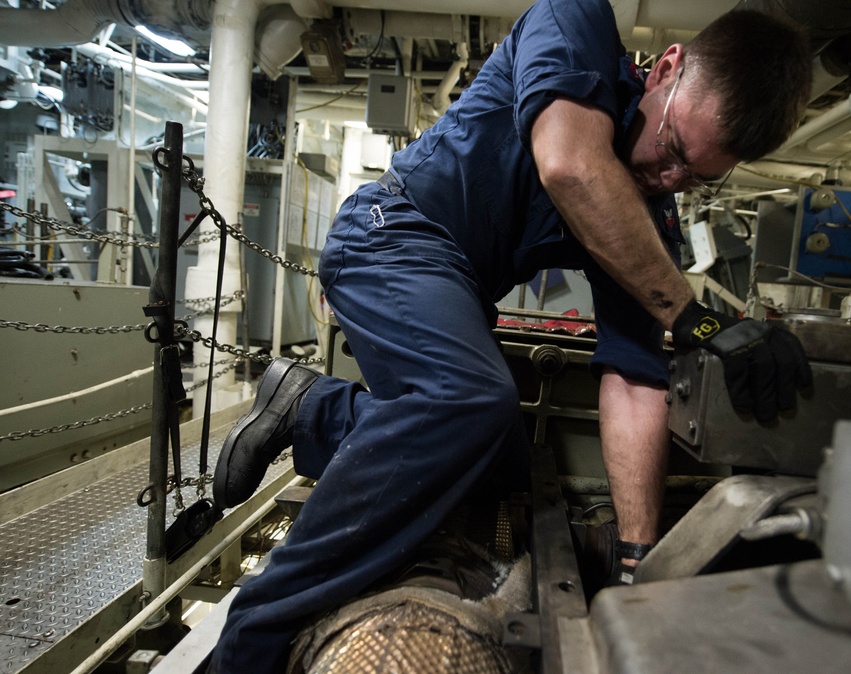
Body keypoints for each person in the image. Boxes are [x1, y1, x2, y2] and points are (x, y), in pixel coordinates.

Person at [208, 1, 813, 671]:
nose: (668, 178)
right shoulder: (576, 21)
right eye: (671, 149)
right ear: (665, 67)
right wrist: (702, 321)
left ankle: (314, 409)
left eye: (696, 177)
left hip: (457, 287)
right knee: (471, 398)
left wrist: (639, 563)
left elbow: (636, 381)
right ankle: (252, 640)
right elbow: (569, 164)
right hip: (389, 237)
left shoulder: (640, 218)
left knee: (501, 461)